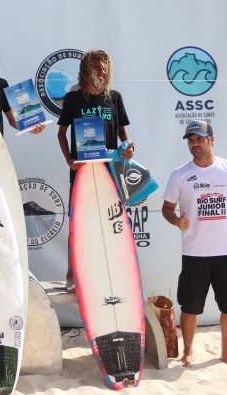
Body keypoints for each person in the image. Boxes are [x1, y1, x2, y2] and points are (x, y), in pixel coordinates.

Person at [162, 120, 227, 370]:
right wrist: (175, 220)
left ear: (212, 140)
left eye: (200, 139)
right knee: (190, 307)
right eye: (191, 140)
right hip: (194, 254)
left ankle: (226, 354)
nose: (195, 144)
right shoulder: (179, 175)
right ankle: (188, 352)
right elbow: (167, 209)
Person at [57, 49, 135, 292]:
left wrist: (128, 147)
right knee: (78, 222)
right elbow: (61, 134)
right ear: (86, 70)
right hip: (82, 171)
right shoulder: (73, 99)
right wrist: (70, 160)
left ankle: (109, 272)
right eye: (98, 67)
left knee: (110, 221)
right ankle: (71, 274)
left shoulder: (115, 97)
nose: (102, 72)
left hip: (110, 170)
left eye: (105, 68)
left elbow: (123, 133)